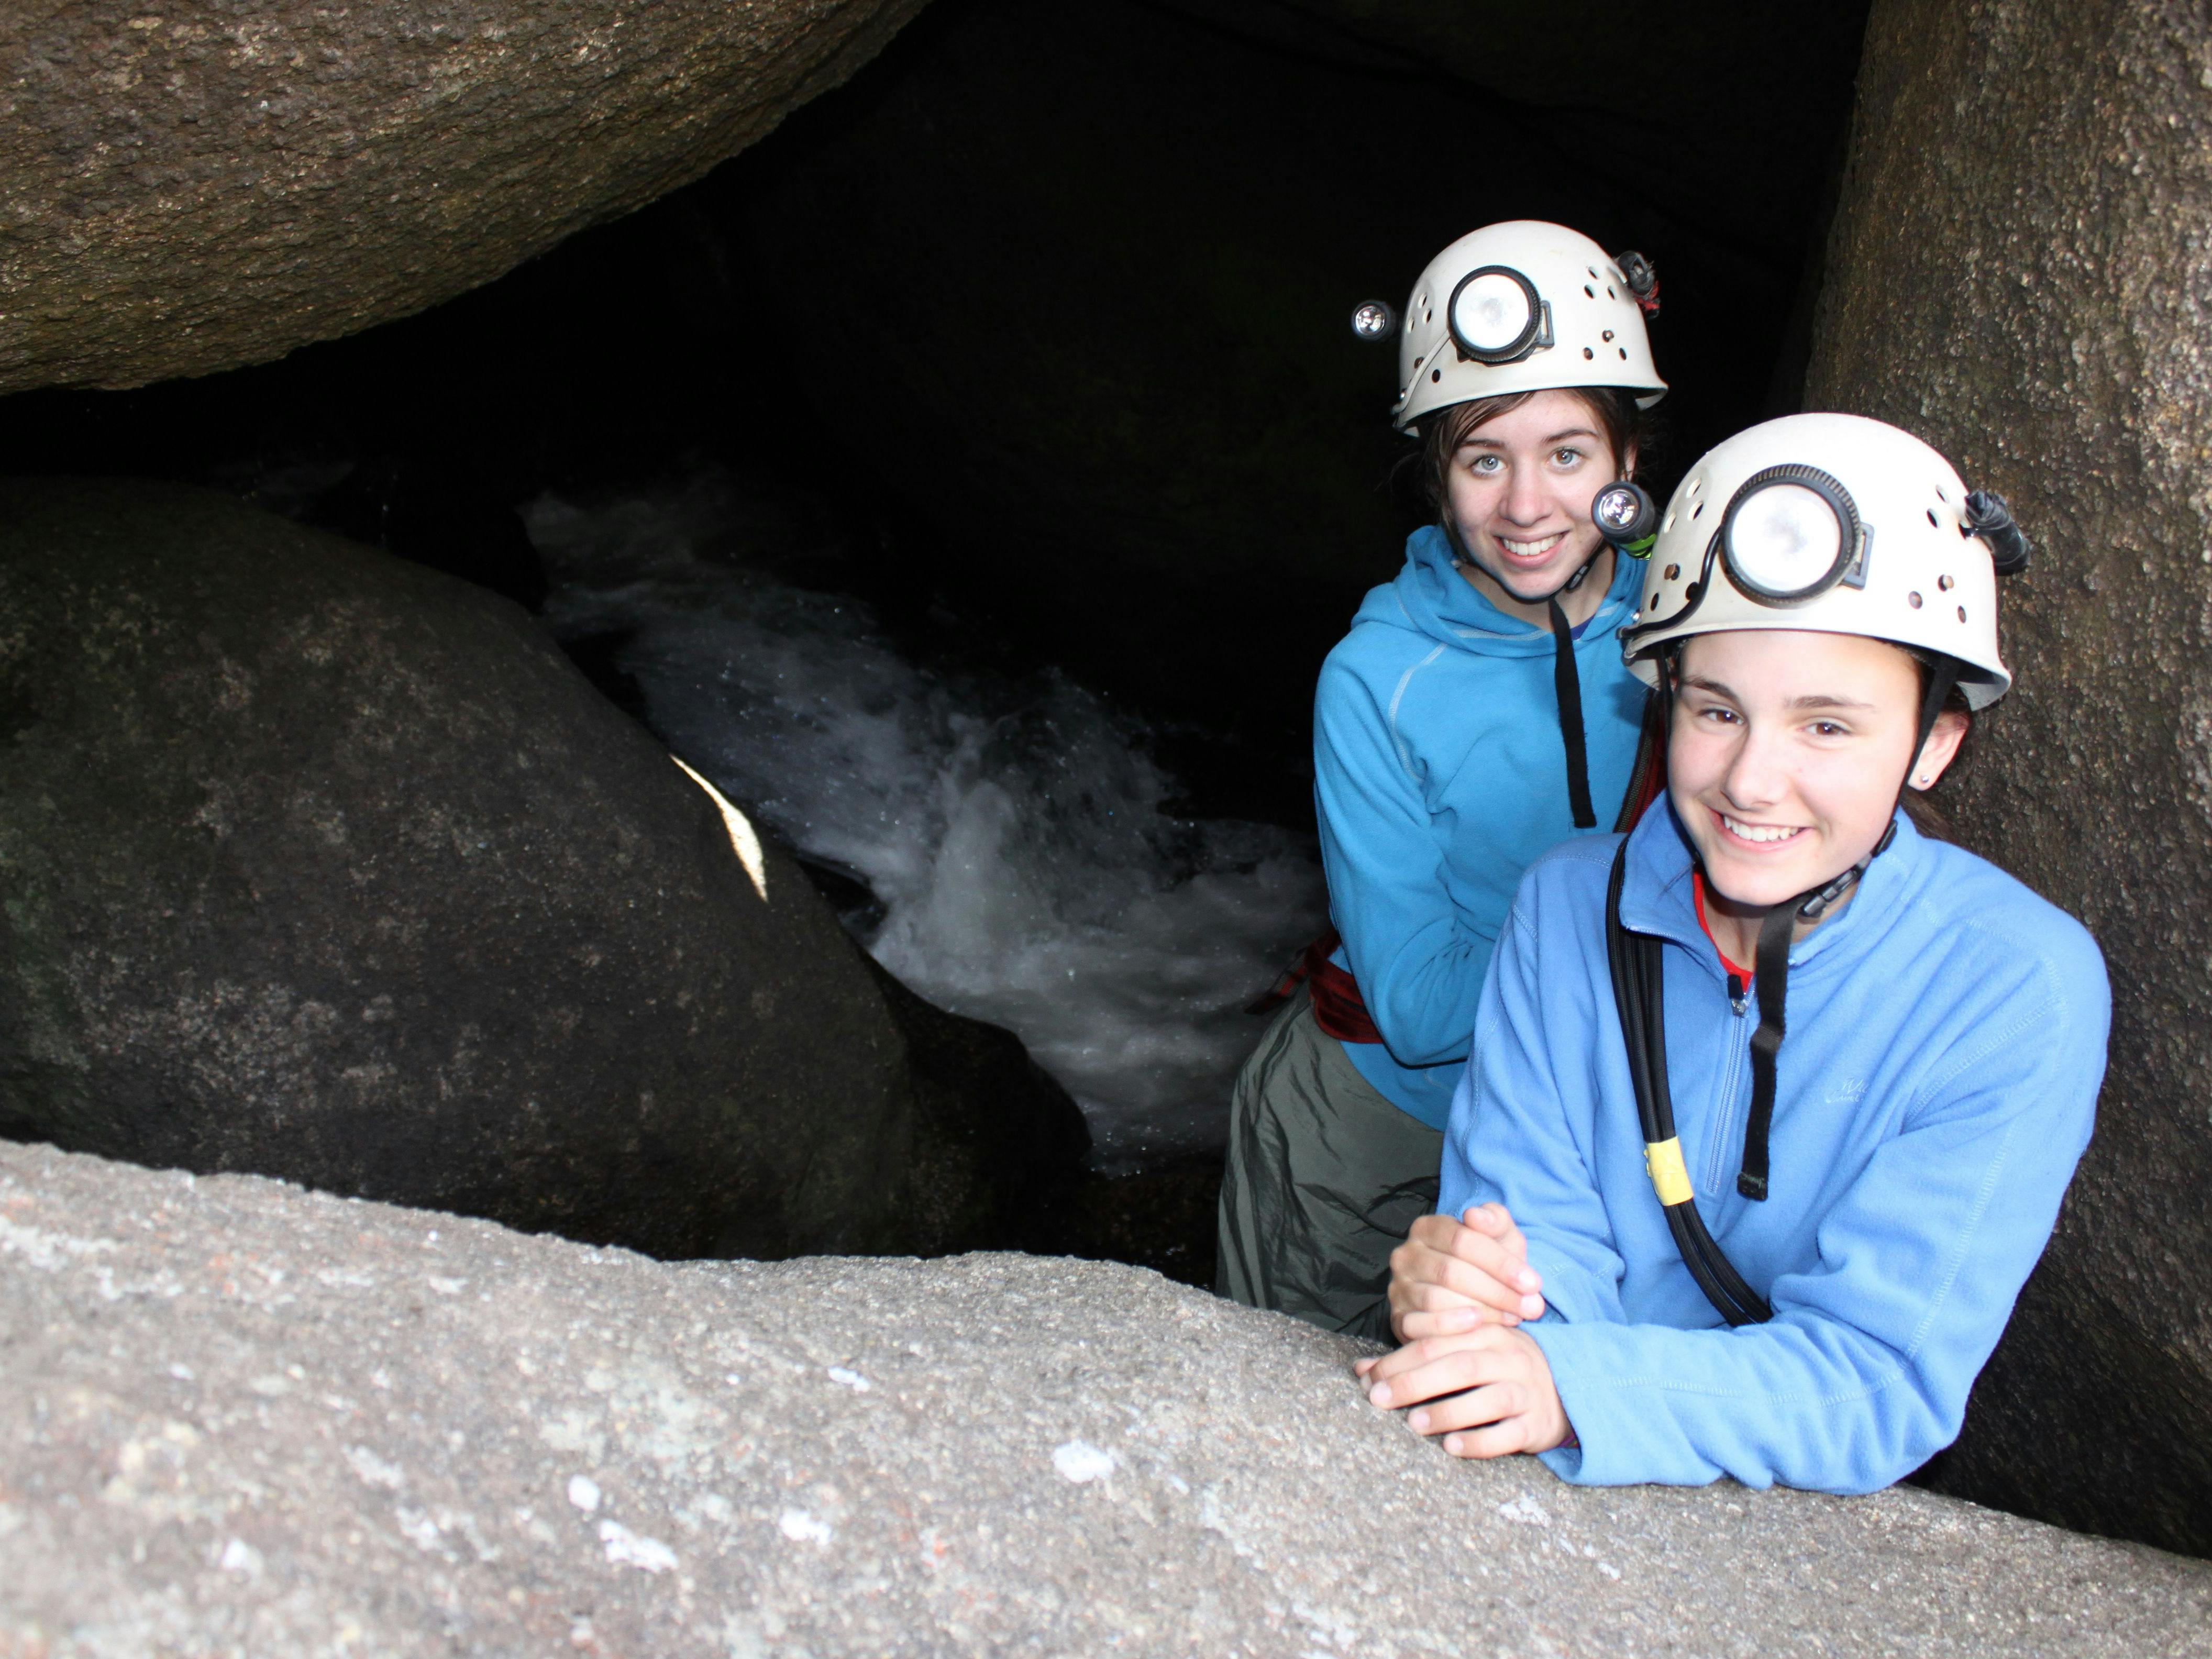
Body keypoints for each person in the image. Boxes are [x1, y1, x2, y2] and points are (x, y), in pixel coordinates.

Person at [1357, 412, 2108, 1492]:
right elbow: (1533, 1249)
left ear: (1936, 742)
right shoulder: (1568, 909)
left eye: (1828, 727)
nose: (1752, 782)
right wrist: (1486, 1303)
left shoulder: (2013, 988)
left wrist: (1567, 1380)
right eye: (1716, 710)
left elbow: (1882, 1373)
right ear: (1665, 700)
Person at [1216, 223, 1667, 1339]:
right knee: (1289, 1412)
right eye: (1483, 459)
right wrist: (1655, 956)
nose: (1524, 508)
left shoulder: (1698, 619)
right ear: (1435, 474)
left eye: (1567, 453)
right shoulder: (1378, 680)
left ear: (1628, 467)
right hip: (1381, 1121)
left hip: (1580, 1118)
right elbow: (1418, 1007)